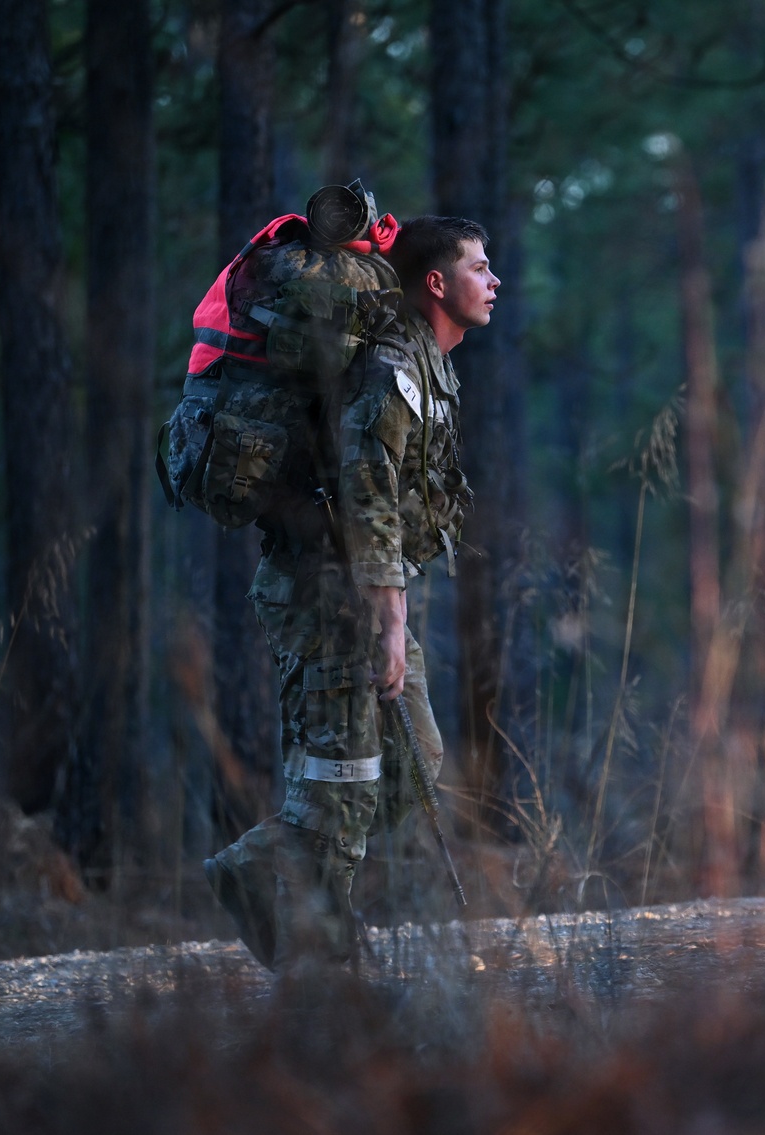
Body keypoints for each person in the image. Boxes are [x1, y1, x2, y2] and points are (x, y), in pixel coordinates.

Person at [203, 214, 500, 973]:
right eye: (479, 267)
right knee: (343, 780)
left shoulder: (429, 363)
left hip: (363, 590)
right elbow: (364, 490)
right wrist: (389, 619)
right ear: (436, 282)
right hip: (329, 597)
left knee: (411, 759)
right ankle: (313, 940)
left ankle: (281, 881)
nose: (494, 281)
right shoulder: (392, 365)